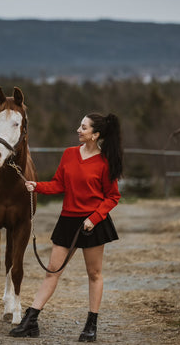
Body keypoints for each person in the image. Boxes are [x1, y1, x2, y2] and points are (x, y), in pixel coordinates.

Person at [9, 112, 123, 342]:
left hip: (92, 223)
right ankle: (31, 321)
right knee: (53, 270)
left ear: (95, 134)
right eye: (79, 126)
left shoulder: (105, 163)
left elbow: (113, 196)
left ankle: (91, 325)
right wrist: (37, 186)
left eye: (83, 127)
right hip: (68, 221)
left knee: (94, 274)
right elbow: (59, 183)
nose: (78, 130)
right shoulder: (69, 154)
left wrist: (94, 218)